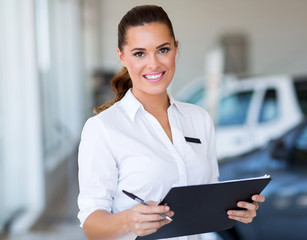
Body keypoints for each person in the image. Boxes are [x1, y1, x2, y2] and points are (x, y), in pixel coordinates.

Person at [77, 5, 265, 240]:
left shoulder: (199, 119)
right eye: (139, 53)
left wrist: (236, 211)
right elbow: (91, 225)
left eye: (163, 49)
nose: (154, 64)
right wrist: (128, 220)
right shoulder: (103, 129)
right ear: (122, 57)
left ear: (176, 49)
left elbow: (207, 197)